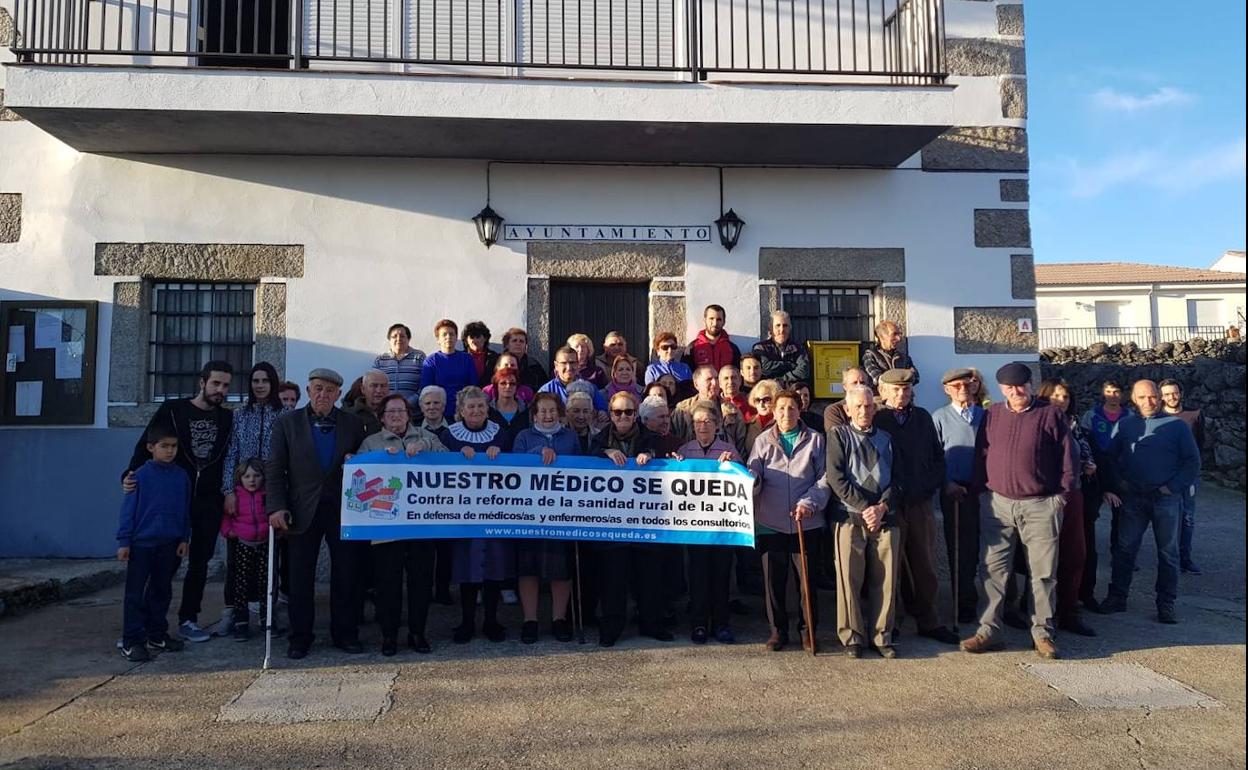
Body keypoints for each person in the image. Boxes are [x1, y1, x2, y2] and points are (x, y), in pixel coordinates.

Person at [961, 363, 1076, 660]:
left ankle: (1042, 633)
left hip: (1041, 504)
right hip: (997, 504)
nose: (1016, 392)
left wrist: (1061, 497)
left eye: (1020, 386)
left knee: (1043, 573)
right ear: (1001, 390)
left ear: (1031, 384)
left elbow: (1068, 457)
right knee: (993, 569)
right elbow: (981, 454)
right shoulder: (993, 414)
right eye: (1009, 388)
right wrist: (981, 493)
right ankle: (989, 630)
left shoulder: (1050, 414)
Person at [123, 360, 233, 644]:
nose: (220, 390)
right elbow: (145, 445)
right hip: (174, 501)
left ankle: (189, 619)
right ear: (202, 382)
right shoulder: (173, 410)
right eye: (216, 383)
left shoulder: (227, 419)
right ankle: (147, 625)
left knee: (200, 563)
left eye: (225, 386)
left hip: (209, 500)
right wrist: (129, 474)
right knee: (166, 565)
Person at [266, 368, 373, 658]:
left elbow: (368, 460)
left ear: (339, 394)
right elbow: (275, 469)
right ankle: (300, 637)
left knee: (347, 575)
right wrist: (276, 506)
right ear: (309, 390)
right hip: (301, 510)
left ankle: (345, 634)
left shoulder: (353, 424)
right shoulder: (287, 423)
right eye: (318, 389)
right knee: (299, 577)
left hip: (345, 509)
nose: (323, 394)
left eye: (329, 390)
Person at [1098, 380, 1201, 624]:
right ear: (1133, 399)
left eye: (1153, 396)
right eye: (1142, 397)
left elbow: (1192, 461)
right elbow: (1109, 457)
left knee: (1169, 554)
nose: (1149, 402)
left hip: (1166, 500)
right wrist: (1117, 485)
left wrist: (1172, 487)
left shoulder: (1177, 426)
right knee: (1124, 550)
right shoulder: (1125, 425)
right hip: (1133, 498)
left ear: (1159, 397)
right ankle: (1117, 597)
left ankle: (1166, 603)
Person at [873, 369, 959, 645]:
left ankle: (928, 620)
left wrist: (928, 486)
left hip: (920, 503)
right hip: (890, 505)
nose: (902, 394)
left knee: (925, 565)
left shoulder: (922, 417)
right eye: (896, 389)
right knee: (891, 568)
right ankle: (892, 622)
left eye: (906, 389)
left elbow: (937, 457)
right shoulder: (876, 419)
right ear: (883, 391)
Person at [357, 393, 446, 655]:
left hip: (422, 524)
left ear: (409, 415)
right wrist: (380, 460)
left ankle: (417, 633)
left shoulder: (425, 436)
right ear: (381, 417)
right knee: (387, 583)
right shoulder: (371, 443)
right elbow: (357, 473)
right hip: (386, 527)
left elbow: (447, 457)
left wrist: (425, 446)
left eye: (401, 411)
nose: (396, 416)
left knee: (420, 582)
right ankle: (389, 635)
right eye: (390, 412)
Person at [747, 389, 831, 653]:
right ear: (773, 411)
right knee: (774, 582)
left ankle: (808, 631)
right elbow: (754, 472)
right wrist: (752, 479)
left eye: (791, 408)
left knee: (806, 582)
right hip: (770, 522)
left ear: (800, 410)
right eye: (781, 408)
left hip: (805, 522)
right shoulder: (762, 441)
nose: (786, 413)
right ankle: (777, 631)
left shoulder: (816, 441)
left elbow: (824, 479)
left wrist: (809, 502)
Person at [826, 385, 900, 659]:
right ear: (847, 409)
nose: (864, 411)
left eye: (868, 406)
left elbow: (898, 478)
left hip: (885, 517)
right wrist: (865, 507)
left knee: (886, 580)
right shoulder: (838, 435)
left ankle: (882, 635)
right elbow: (835, 477)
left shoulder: (888, 438)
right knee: (849, 579)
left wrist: (881, 507)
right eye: (857, 406)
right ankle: (852, 636)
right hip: (849, 517)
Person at [218, 361, 288, 635]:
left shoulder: (284, 414)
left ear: (273, 384)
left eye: (265, 381)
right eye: (256, 381)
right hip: (242, 492)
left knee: (270, 563)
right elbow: (232, 453)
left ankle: (268, 613)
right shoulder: (240, 415)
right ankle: (237, 614)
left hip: (270, 492)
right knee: (237, 562)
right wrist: (227, 492)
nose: (260, 386)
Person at [440, 386, 514, 643]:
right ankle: (467, 621)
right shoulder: (449, 437)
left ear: (487, 409)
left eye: (481, 406)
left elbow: (516, 469)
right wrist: (456, 458)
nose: (476, 410)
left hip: (494, 511)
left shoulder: (501, 435)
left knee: (494, 568)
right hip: (463, 513)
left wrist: (500, 456)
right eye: (470, 407)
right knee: (467, 569)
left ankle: (492, 621)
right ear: (461, 411)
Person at [590, 391, 663, 646]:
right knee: (613, 580)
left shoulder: (650, 438)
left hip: (645, 523)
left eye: (629, 412)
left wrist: (651, 456)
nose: (623, 416)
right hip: (611, 525)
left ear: (636, 415)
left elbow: (662, 456)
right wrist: (606, 453)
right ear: (610, 414)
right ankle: (612, 626)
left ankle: (651, 624)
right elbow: (586, 466)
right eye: (618, 412)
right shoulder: (599, 440)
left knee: (649, 578)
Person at [116, 423, 190, 661]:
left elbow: (185, 510)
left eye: (174, 446)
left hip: (169, 543)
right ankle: (132, 640)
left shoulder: (181, 477)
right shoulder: (138, 476)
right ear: (150, 447)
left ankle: (156, 633)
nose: (170, 451)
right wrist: (124, 541)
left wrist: (184, 538)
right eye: (164, 446)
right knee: (135, 594)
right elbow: (128, 511)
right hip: (141, 544)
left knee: (161, 590)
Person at [511, 393, 581, 644]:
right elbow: (515, 468)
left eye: (552, 410)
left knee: (560, 569)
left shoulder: (570, 437)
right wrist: (538, 451)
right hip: (530, 512)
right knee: (528, 569)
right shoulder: (523, 437)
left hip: (561, 512)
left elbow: (582, 472)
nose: (548, 415)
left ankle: (558, 619)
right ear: (534, 414)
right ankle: (530, 620)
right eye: (543, 411)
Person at [671, 401, 743, 644]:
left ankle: (722, 623)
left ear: (717, 424)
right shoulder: (685, 450)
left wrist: (732, 466)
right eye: (697, 422)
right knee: (698, 576)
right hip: (695, 529)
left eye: (707, 421)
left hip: (723, 528)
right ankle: (699, 623)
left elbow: (744, 483)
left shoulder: (729, 450)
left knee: (721, 575)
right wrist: (676, 467)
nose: (702, 426)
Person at [1037, 378, 1098, 637]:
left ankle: (1069, 610)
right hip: (1043, 497)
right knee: (1042, 558)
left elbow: (1086, 453)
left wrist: (1089, 464)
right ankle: (1041, 613)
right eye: (1055, 396)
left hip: (1073, 495)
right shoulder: (1036, 423)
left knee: (1075, 554)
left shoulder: (1075, 426)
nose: (1060, 401)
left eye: (1065, 397)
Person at [931, 368, 985, 625]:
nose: (962, 388)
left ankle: (1000, 604)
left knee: (988, 549)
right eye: (955, 386)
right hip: (955, 493)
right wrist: (947, 483)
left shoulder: (986, 416)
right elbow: (934, 457)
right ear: (946, 389)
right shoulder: (939, 418)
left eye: (966, 384)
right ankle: (964, 602)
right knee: (960, 549)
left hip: (984, 492)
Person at [1079, 378, 1128, 608]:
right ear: (1103, 393)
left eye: (1116, 391)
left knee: (1122, 516)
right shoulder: (1091, 416)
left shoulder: (1129, 416)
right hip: (1096, 473)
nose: (1112, 395)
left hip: (1122, 471)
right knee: (1091, 515)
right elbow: (1085, 442)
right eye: (1108, 391)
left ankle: (1118, 552)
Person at [219, 458, 270, 641]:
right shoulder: (236, 496)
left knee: (266, 581)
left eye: (256, 475)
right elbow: (226, 516)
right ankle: (241, 621)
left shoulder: (266, 495)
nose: (252, 480)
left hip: (264, 542)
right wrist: (228, 531)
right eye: (247, 476)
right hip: (243, 543)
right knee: (241, 583)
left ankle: (267, 618)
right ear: (240, 478)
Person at [1159, 378, 1206, 575]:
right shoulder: (1156, 418)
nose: (1172, 397)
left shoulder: (1194, 415)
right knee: (1168, 519)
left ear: (1180, 393)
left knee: (1187, 518)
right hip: (1164, 476)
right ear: (1161, 397)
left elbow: (1200, 444)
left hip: (1188, 477)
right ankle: (1170, 560)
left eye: (1174, 393)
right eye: (1167, 394)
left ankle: (1184, 559)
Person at [672, 365, 747, 452]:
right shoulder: (682, 410)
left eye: (716, 378)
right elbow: (673, 441)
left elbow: (741, 446)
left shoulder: (732, 411)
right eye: (709, 379)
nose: (714, 383)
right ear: (696, 384)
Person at [421, 319, 478, 418]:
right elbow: (427, 391)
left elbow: (473, 386)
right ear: (438, 339)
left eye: (451, 334)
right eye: (444, 334)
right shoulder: (430, 361)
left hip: (464, 412)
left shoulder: (467, 359)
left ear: (456, 338)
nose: (448, 337)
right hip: (440, 414)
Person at [540, 346, 609, 412]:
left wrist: (601, 413)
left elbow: (603, 410)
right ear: (556, 365)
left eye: (572, 363)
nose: (569, 368)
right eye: (564, 363)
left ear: (578, 364)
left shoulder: (590, 388)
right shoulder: (546, 391)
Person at [752, 310, 810, 386]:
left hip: (792, 392)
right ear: (770, 329)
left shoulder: (798, 348)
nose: (782, 330)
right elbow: (765, 368)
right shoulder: (760, 348)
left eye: (785, 325)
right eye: (778, 325)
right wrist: (790, 365)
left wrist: (781, 379)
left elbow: (803, 372)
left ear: (790, 328)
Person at [373, 323, 426, 404]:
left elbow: (425, 384)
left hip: (413, 413)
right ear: (389, 340)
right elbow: (374, 385)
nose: (398, 339)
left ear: (408, 339)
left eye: (402, 336)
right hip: (387, 412)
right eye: (394, 336)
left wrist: (409, 403)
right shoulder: (380, 360)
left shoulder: (419, 357)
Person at [861, 321, 918, 389]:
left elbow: (916, 377)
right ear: (882, 337)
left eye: (899, 334)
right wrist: (903, 377)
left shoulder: (903, 357)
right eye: (894, 334)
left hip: (904, 398)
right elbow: (877, 379)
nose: (899, 338)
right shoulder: (870, 356)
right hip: (881, 398)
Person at [685, 304, 742, 371]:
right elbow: (687, 376)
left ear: (724, 322)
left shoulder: (732, 348)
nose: (715, 323)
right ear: (704, 320)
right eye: (711, 319)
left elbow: (738, 374)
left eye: (719, 319)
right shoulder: (692, 347)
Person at [487, 368, 531, 438]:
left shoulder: (527, 410)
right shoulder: (487, 411)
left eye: (512, 383)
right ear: (496, 386)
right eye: (503, 383)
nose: (508, 386)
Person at [501, 327, 549, 391]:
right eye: (514, 340)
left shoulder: (534, 365)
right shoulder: (498, 363)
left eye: (522, 341)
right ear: (507, 345)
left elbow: (544, 388)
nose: (518, 344)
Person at [343, 368, 389, 434]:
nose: (379, 390)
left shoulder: (398, 412)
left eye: (383, 386)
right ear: (363, 389)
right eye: (374, 386)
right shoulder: (350, 415)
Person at [743, 379, 781, 452]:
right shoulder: (748, 424)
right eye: (757, 400)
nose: (761, 404)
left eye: (766, 400)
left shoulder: (781, 423)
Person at [462, 320, 500, 387]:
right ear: (466, 340)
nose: (475, 340)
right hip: (466, 394)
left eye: (478, 337)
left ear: (485, 338)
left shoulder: (494, 357)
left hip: (488, 394)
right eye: (471, 337)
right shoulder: (460, 357)